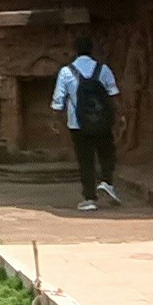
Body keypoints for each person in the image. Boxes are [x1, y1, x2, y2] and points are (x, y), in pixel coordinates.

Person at [53, 38, 123, 208]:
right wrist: (120, 116)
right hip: (102, 121)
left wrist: (56, 120)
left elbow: (58, 101)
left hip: (78, 124)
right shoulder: (103, 69)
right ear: (92, 50)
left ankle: (89, 198)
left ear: (75, 51)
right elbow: (113, 95)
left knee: (85, 160)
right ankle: (106, 181)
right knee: (106, 153)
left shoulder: (66, 72)